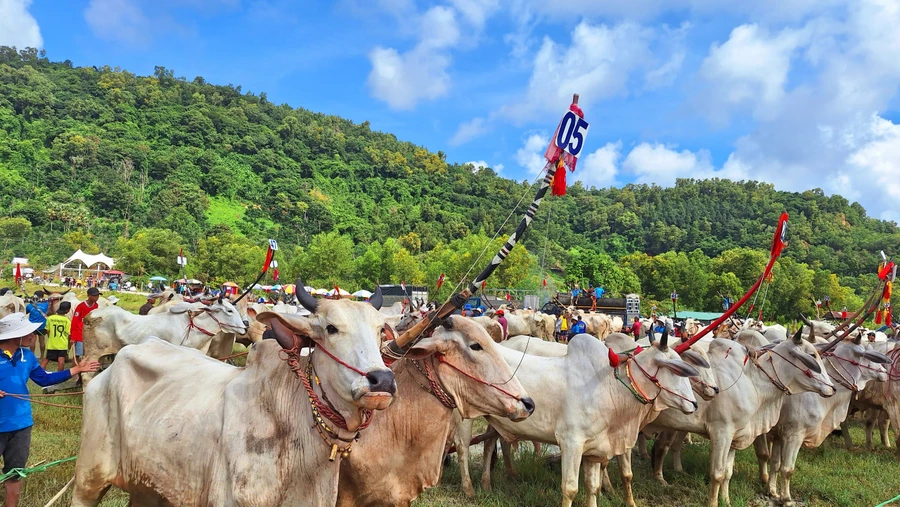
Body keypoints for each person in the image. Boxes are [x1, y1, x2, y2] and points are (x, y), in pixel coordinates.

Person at [0, 313, 100, 507]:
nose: (34, 335)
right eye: (29, 332)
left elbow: (44, 379)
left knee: (15, 472)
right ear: (14, 335)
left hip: (21, 424)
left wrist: (76, 370)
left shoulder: (26, 356)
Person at [71, 287, 101, 365]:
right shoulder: (80, 306)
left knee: (88, 353)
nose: (96, 297)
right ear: (88, 296)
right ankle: (75, 369)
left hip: (90, 334)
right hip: (80, 334)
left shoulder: (96, 306)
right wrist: (73, 337)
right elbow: (75, 321)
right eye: (94, 296)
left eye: (97, 295)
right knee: (78, 354)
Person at [41, 302, 71, 372]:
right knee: (61, 359)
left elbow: (47, 330)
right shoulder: (67, 321)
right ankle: (59, 375)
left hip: (52, 343)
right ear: (67, 310)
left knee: (46, 359)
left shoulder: (50, 318)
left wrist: (51, 338)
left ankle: (40, 373)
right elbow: (68, 334)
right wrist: (69, 345)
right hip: (62, 344)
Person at [24, 291, 48, 356]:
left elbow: (25, 313)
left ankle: (32, 355)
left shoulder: (29, 305)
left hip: (32, 326)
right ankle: (42, 356)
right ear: (43, 296)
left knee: (32, 341)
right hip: (42, 326)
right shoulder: (46, 304)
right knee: (42, 341)